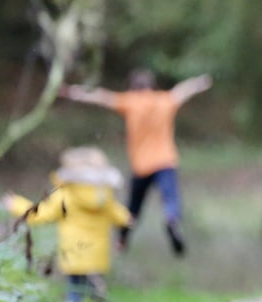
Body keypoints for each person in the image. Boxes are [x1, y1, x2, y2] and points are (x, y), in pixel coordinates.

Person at [57, 68, 212, 256]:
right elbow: (183, 90)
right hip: (165, 161)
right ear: (151, 86)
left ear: (132, 87)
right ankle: (172, 220)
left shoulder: (130, 102)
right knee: (170, 198)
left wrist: (72, 91)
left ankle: (122, 240)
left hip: (142, 166)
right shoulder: (164, 100)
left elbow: (100, 97)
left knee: (133, 206)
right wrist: (200, 82)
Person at [0, 146, 134, 302]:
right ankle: (96, 298)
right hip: (97, 252)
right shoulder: (104, 195)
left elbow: (40, 213)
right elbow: (118, 214)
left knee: (74, 287)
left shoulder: (66, 194)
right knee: (90, 280)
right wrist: (127, 219)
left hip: (74, 251)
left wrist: (16, 204)